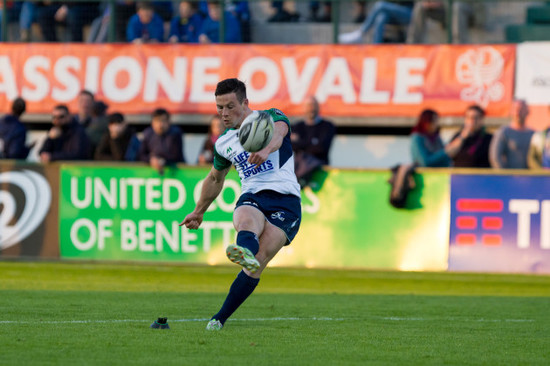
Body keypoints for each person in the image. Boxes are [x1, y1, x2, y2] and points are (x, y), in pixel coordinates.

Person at [180, 78, 302, 331]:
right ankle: (243, 252)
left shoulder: (270, 117)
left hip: (286, 201)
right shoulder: (224, 142)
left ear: (245, 102)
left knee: (259, 260)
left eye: (229, 106)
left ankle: (221, 315)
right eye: (219, 108)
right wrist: (198, 211)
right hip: (253, 194)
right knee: (246, 219)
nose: (224, 114)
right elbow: (215, 178)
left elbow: (280, 134)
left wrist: (267, 149)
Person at [291, 96, 335, 187]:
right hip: (299, 165)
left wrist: (300, 143)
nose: (311, 108)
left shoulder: (327, 126)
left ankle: (301, 180)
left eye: (313, 105)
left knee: (307, 159)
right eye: (308, 105)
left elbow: (321, 148)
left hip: (320, 167)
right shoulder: (296, 127)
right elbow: (291, 146)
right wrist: (311, 143)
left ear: (318, 107)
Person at [339, 1, 414, 44]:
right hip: (395, 13)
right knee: (381, 17)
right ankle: (376, 47)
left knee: (380, 5)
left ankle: (361, 33)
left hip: (410, 13)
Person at [489, 99, 534, 169]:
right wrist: (505, 175)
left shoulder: (533, 134)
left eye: (521, 109)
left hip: (530, 178)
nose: (518, 112)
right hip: (509, 178)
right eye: (516, 109)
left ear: (528, 112)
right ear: (511, 112)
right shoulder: (503, 132)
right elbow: (495, 157)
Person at [138, 108, 184, 174]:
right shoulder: (147, 133)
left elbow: (176, 156)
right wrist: (151, 160)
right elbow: (141, 155)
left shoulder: (175, 133)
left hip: (176, 173)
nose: (160, 124)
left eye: (163, 121)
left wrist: (162, 161)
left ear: (168, 122)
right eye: (157, 121)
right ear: (152, 122)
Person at [406, 0, 474, 44]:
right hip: (442, 10)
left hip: (469, 9)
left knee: (457, 7)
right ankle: (412, 45)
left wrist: (442, 2)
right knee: (420, 6)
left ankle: (458, 46)